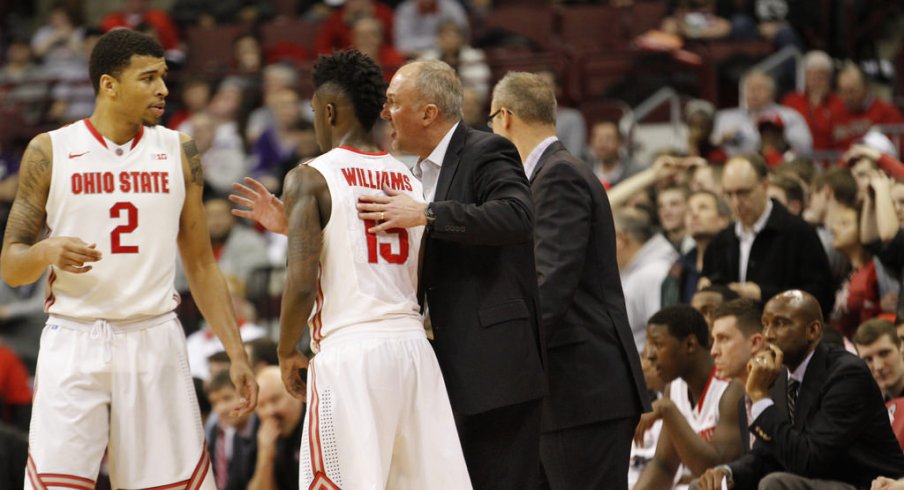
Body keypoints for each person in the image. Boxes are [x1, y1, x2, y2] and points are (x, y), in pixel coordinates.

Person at [0, 29, 258, 488]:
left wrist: (236, 352)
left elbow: (200, 265)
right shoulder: (50, 150)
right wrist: (45, 250)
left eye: (163, 76)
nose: (162, 88)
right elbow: (11, 263)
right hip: (75, 338)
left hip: (153, 335)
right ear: (109, 84)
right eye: (148, 77)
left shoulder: (180, 152)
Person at [234, 50, 471, 488]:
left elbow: (302, 283)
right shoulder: (408, 179)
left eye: (313, 113)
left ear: (328, 110)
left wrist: (287, 350)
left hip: (352, 355)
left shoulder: (310, 176)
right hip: (414, 352)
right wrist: (295, 227)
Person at [356, 60, 545, 489]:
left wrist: (427, 213)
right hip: (446, 365)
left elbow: (517, 216)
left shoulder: (486, 150)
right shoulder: (411, 174)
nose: (385, 113)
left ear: (427, 113)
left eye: (392, 103)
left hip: (496, 368)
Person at [488, 71, 650, 489]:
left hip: (582, 390)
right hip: (571, 392)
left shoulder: (557, 176)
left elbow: (550, 285)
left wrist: (501, 354)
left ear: (504, 117)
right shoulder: (552, 173)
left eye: (490, 121)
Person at [696, 290, 904, 490]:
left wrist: (760, 399)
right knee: (702, 486)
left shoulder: (846, 375)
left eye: (780, 324)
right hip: (817, 483)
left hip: (869, 485)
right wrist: (728, 473)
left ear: (812, 331)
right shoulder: (778, 380)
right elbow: (765, 457)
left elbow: (810, 461)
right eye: (765, 325)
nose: (768, 335)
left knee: (776, 484)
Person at [700, 154, 835, 313]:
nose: (736, 203)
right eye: (729, 194)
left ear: (765, 185)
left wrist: (763, 294)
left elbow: (822, 296)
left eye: (743, 193)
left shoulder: (798, 232)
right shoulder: (720, 243)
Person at [634, 305, 744, 489]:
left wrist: (668, 411)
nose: (650, 355)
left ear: (690, 345)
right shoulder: (674, 388)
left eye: (657, 344)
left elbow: (715, 474)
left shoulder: (731, 388)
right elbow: (664, 466)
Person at [709, 298, 767, 452]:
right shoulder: (742, 399)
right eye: (714, 340)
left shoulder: (784, 391)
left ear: (755, 343)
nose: (714, 351)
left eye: (723, 339)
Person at [249, 366, 305, 490]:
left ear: (296, 392)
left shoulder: (316, 424)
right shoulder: (261, 433)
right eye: (261, 405)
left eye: (275, 400)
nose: (270, 411)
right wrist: (265, 457)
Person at [854, 318, 904, 400]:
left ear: (901, 350)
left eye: (884, 353)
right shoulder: (870, 404)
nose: (878, 366)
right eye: (868, 359)